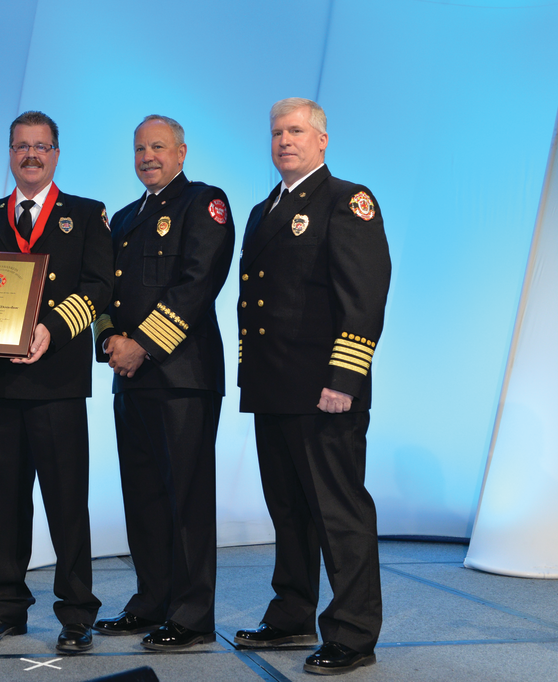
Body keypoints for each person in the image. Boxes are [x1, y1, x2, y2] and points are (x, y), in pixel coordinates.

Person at [0, 111, 112, 654]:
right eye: (21, 147)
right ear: (9, 154)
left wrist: (52, 330)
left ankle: (77, 612)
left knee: (65, 501)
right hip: (0, 383)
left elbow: (99, 288)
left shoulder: (86, 215)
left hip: (56, 380)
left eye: (41, 146)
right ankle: (6, 607)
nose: (30, 155)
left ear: (56, 153)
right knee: (4, 502)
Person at [232, 97, 391, 675]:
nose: (284, 140)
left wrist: (345, 378)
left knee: (338, 512)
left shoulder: (347, 200)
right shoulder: (262, 209)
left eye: (296, 131)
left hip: (326, 390)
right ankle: (292, 612)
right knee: (289, 511)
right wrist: (251, 377)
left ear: (322, 140)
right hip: (274, 387)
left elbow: (364, 296)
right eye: (276, 132)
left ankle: (351, 633)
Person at [92, 115, 234, 651]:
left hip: (181, 377)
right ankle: (151, 600)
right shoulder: (125, 217)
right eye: (139, 148)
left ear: (181, 152)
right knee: (144, 497)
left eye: (158, 147)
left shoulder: (204, 203)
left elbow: (200, 282)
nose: (147, 156)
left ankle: (192, 616)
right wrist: (108, 341)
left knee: (187, 500)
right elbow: (106, 294)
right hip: (130, 379)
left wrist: (141, 345)